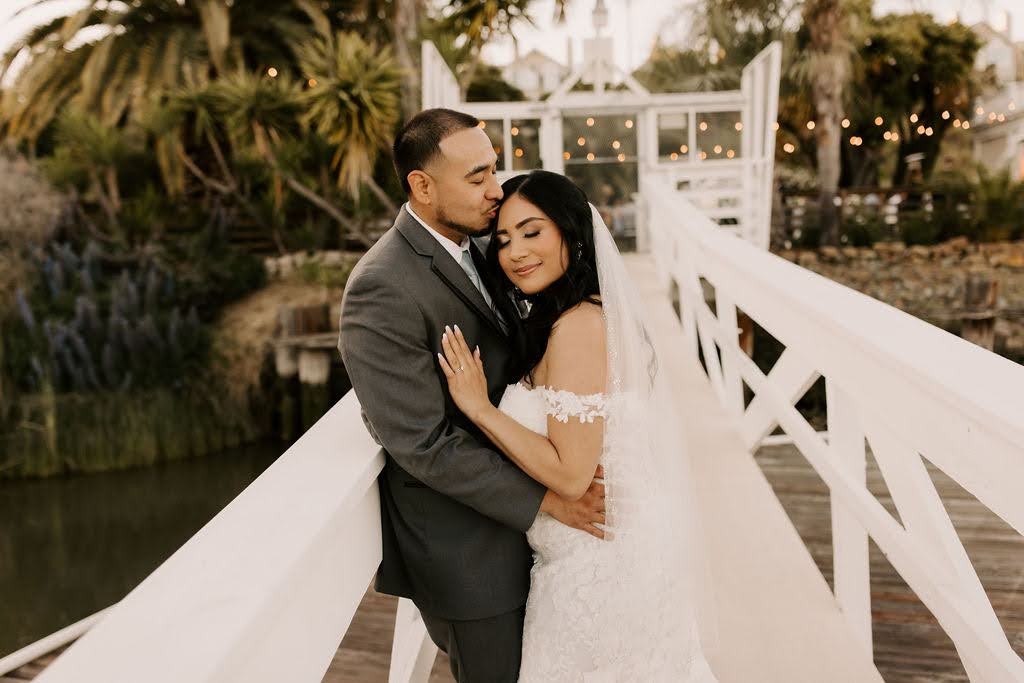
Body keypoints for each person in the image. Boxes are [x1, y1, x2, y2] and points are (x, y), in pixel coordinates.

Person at [337, 109, 606, 682]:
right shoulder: (380, 286)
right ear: (423, 186)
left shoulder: (487, 245)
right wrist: (549, 504)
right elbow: (422, 441)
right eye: (477, 176)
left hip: (545, 534)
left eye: (494, 170)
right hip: (471, 554)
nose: (495, 189)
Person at [439, 169, 718, 681]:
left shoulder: (580, 327)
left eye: (532, 231)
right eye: (502, 240)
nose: (515, 252)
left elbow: (571, 476)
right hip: (594, 551)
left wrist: (480, 408)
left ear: (571, 232)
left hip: (602, 566)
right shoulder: (575, 315)